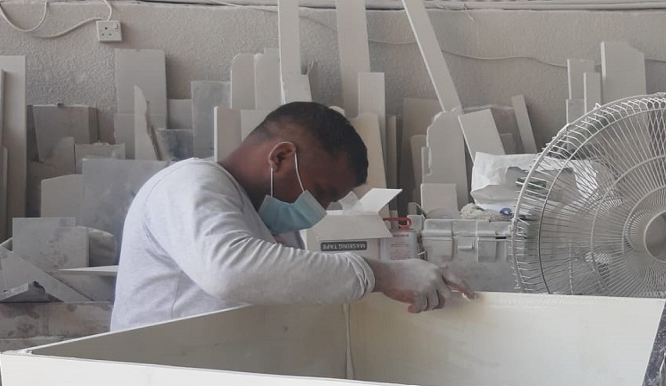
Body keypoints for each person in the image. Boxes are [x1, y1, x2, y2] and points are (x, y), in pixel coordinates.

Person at [111, 102, 472, 330]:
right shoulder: (189, 183)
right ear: (281, 157)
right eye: (321, 191)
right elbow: (229, 272)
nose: (320, 210)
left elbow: (286, 287)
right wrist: (382, 274)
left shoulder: (260, 218)